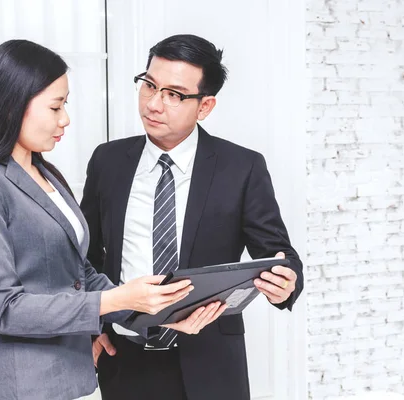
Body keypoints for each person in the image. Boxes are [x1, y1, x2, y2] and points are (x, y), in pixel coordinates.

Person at [0, 39, 219, 400]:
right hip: (21, 386)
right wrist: (118, 300)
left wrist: (158, 313)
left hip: (74, 378)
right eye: (55, 106)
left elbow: (81, 275)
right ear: (13, 105)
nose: (65, 119)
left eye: (65, 104)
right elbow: (5, 309)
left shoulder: (46, 173)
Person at [80, 34, 304, 400]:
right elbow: (85, 258)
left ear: (205, 106)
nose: (154, 104)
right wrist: (92, 328)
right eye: (149, 85)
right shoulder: (108, 161)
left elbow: (280, 253)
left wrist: (287, 281)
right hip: (126, 359)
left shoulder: (242, 167)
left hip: (212, 361)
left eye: (174, 94)